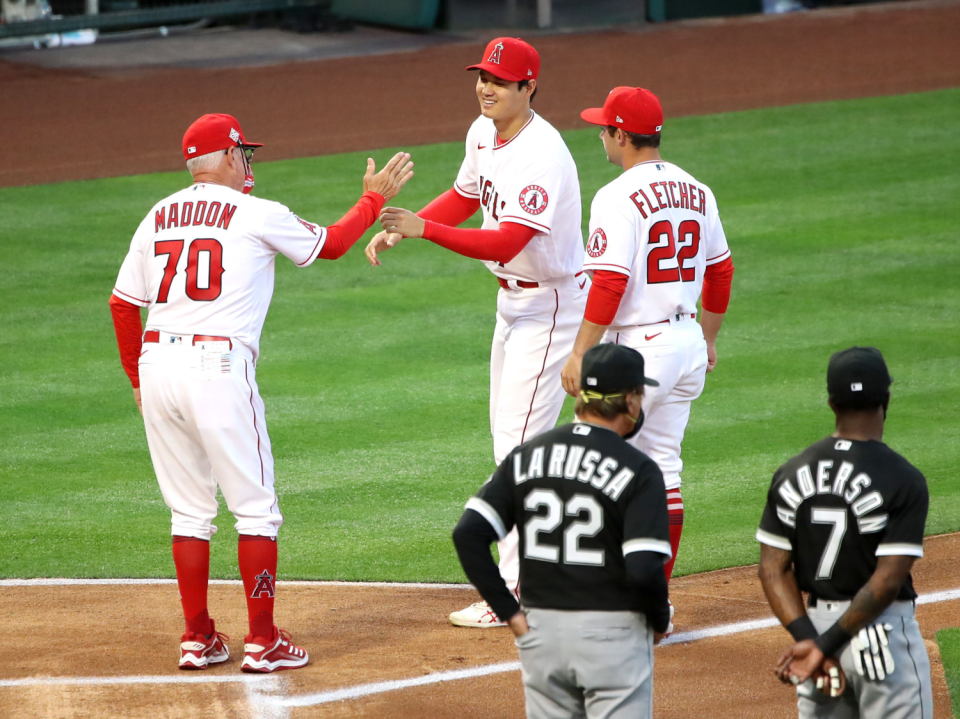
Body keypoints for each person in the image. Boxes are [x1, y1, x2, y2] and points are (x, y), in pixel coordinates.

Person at [109, 113, 413, 672]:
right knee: (255, 510)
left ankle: (198, 638)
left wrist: (134, 379)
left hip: (157, 365)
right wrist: (372, 200)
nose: (248, 161)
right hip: (216, 367)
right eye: (242, 152)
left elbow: (124, 304)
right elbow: (336, 244)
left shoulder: (156, 216)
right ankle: (263, 639)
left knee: (189, 512)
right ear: (227, 157)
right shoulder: (256, 213)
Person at [365, 38, 588, 627]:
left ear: (529, 87)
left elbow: (508, 241)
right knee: (510, 444)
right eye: (482, 76)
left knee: (517, 451)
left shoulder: (542, 151)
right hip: (513, 304)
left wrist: (423, 231)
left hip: (552, 308)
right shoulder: (482, 131)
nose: (486, 87)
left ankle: (515, 591)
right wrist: (408, 226)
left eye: (500, 80)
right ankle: (538, 576)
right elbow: (467, 196)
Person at [560, 86, 735, 588]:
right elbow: (720, 271)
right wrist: (707, 338)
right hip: (685, 346)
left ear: (621, 134)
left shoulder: (616, 196)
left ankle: (599, 590)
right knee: (664, 471)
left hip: (639, 353)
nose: (600, 135)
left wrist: (580, 353)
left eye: (604, 128)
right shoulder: (698, 190)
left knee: (595, 465)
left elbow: (611, 281)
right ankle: (654, 607)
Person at [452, 343, 671, 718]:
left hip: (541, 634)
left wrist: (511, 613)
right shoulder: (640, 470)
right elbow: (643, 568)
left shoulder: (527, 455)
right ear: (631, 401)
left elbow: (468, 534)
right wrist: (658, 620)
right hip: (611, 635)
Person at [757, 346, 933, 718]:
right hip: (878, 634)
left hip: (815, 632)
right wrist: (827, 645)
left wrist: (813, 644)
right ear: (887, 398)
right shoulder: (903, 478)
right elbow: (886, 582)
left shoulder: (791, 472)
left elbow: (773, 568)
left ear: (831, 403)